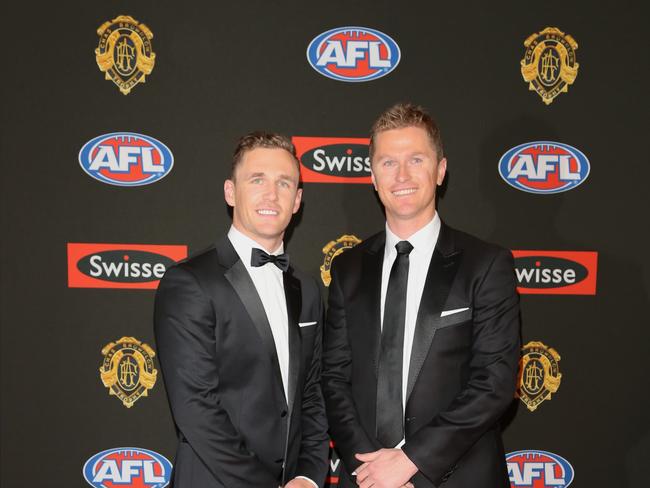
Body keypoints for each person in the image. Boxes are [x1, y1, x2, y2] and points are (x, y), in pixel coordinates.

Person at [322, 103, 520, 488]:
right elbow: (334, 378)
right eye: (388, 163)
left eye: (416, 159)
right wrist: (372, 470)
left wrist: (411, 461)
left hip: (459, 477)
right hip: (366, 477)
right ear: (373, 177)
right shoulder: (348, 267)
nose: (402, 176)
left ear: (441, 170)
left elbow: (494, 382)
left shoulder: (486, 264)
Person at [154, 132, 329, 487]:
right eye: (257, 180)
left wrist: (309, 476)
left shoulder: (307, 289)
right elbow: (196, 411)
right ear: (230, 192)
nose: (271, 194)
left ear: (297, 201)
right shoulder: (189, 283)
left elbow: (312, 394)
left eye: (283, 183)